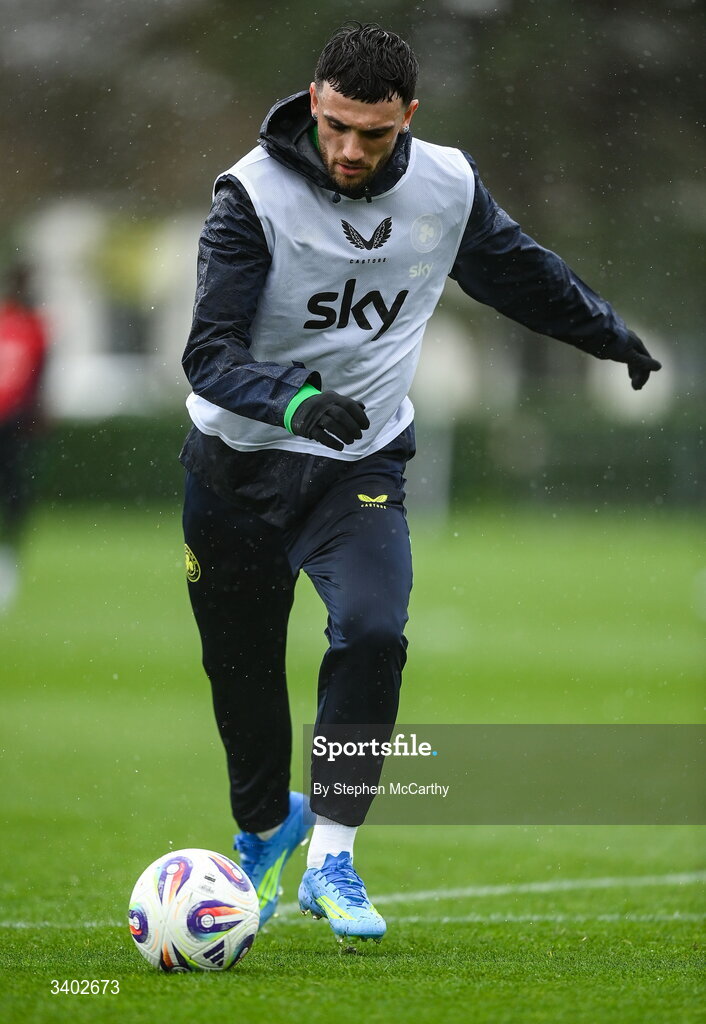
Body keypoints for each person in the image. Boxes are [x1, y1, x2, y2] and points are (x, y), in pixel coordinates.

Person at [180, 23, 661, 943]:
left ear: (408, 118)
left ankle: (332, 857)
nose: (352, 150)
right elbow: (209, 353)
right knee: (241, 682)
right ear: (314, 101)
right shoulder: (251, 196)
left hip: (359, 465)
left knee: (371, 631)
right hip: (236, 470)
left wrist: (608, 333)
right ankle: (263, 823)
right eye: (337, 128)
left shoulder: (447, 184)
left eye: (375, 133)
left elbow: (516, 274)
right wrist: (295, 404)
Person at [0, 263, 48, 611]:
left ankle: (9, 554)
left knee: (15, 489)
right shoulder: (16, 323)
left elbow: (38, 374)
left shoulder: (34, 325)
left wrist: (33, 411)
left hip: (13, 422)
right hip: (11, 418)